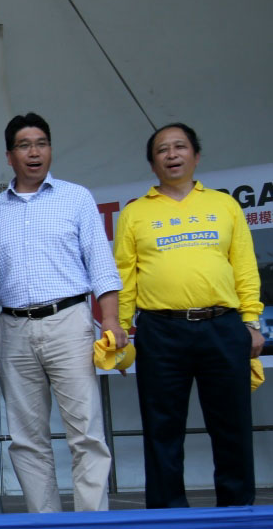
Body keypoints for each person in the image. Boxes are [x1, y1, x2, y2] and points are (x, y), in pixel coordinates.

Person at [0, 113, 125, 513]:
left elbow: (101, 265)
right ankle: (45, 521)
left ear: (51, 150)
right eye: (24, 145)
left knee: (85, 432)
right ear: (9, 156)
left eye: (41, 143)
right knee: (26, 439)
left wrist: (111, 319)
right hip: (13, 328)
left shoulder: (76, 198)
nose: (34, 152)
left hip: (69, 322)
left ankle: (91, 522)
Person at [113, 123, 264, 508]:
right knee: (162, 430)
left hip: (223, 326)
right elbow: (124, 276)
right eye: (162, 150)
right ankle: (167, 516)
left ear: (196, 156)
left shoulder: (224, 205)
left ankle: (237, 512)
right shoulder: (135, 213)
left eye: (180, 147)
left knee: (231, 427)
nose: (172, 155)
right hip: (160, 331)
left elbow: (244, 267)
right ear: (152, 164)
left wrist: (251, 321)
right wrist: (121, 329)